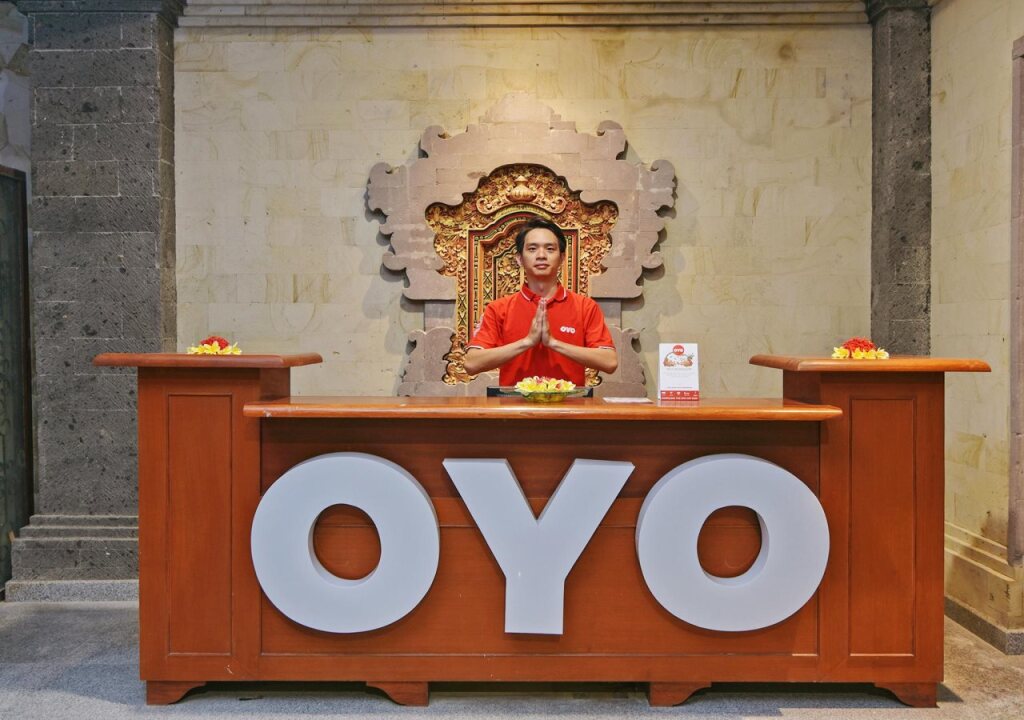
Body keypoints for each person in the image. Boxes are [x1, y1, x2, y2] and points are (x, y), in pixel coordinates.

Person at [463, 218, 618, 386]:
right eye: (532, 249)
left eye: (550, 249)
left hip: (569, 402)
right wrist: (527, 342)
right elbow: (471, 363)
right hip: (514, 402)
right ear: (519, 259)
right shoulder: (498, 309)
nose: (541, 255)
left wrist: (553, 343)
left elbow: (609, 362)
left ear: (562, 258)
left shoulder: (585, 307)